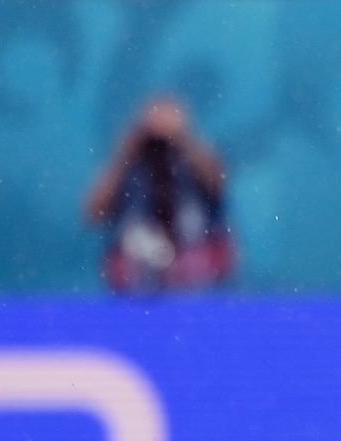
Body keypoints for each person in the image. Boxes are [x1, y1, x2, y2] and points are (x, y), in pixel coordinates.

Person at [85, 95, 234, 294]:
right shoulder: (131, 163)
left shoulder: (193, 158)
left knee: (203, 261)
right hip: (139, 257)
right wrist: (127, 151)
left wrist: (183, 139)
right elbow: (94, 211)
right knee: (135, 256)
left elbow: (218, 183)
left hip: (193, 251)